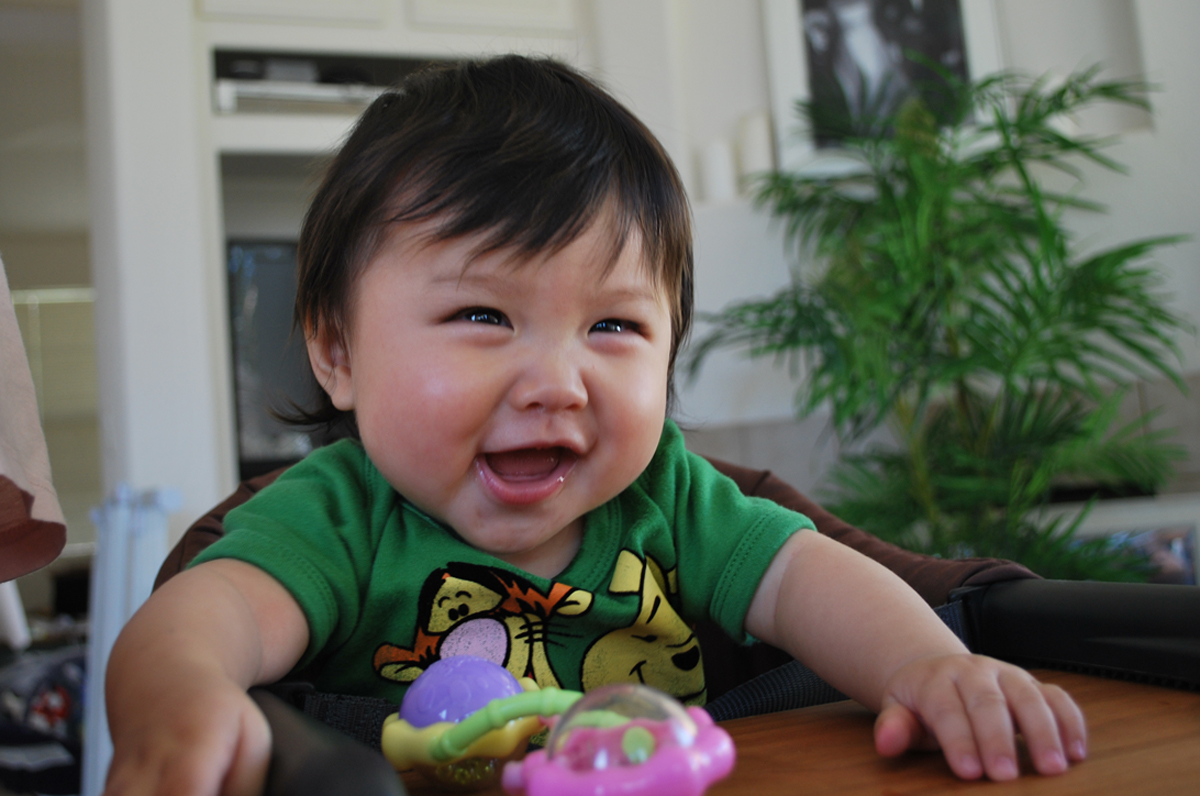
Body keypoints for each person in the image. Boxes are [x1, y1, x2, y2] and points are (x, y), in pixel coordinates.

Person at [103, 55, 1086, 795]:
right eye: (484, 316)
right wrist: (180, 696)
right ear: (337, 352)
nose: (559, 381)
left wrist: (932, 669)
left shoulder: (667, 495)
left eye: (613, 324)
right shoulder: (342, 517)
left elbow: (814, 580)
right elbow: (205, 618)